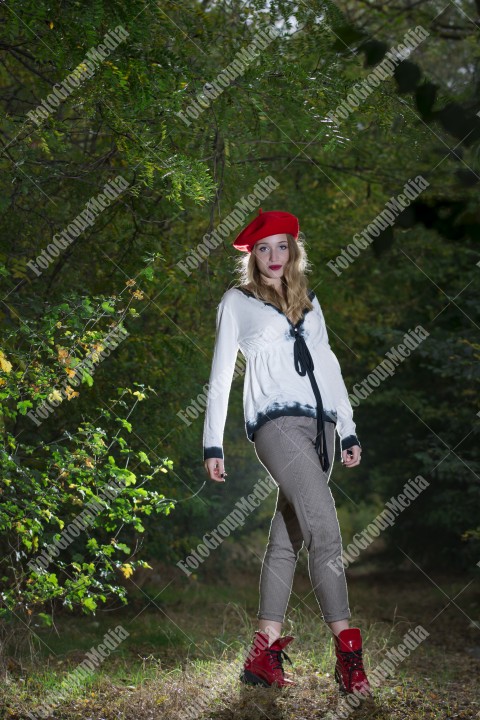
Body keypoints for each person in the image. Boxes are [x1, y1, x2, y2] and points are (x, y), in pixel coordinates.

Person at [202, 209, 371, 695]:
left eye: (282, 246)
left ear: (294, 250)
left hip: (323, 429)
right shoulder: (237, 302)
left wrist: (349, 429)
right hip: (275, 425)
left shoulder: (310, 302)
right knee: (324, 528)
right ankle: (349, 653)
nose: (274, 257)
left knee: (287, 539)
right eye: (263, 248)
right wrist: (213, 440)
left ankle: (263, 654)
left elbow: (330, 365)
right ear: (252, 256)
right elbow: (219, 377)